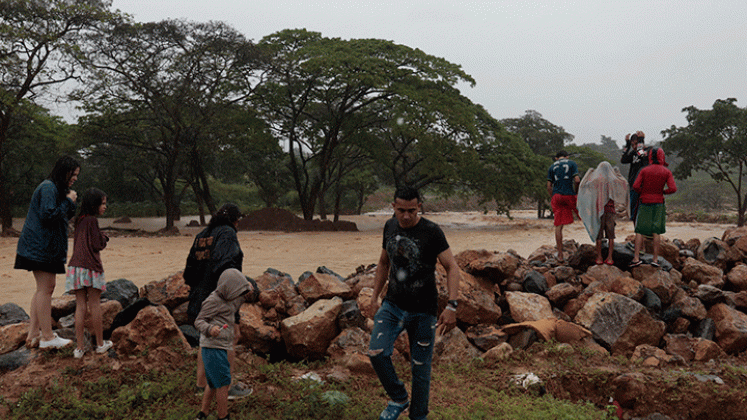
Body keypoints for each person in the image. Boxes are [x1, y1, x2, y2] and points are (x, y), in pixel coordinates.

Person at [365, 186, 460, 420]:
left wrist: (452, 305)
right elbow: (384, 263)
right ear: (393, 207)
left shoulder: (432, 231)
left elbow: (451, 267)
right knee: (376, 352)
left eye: (411, 210)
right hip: (393, 304)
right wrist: (374, 297)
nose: (406, 216)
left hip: (423, 310)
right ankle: (399, 397)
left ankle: (418, 416)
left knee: (420, 367)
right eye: (401, 210)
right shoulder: (389, 226)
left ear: (419, 207)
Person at [183, 203, 251, 399]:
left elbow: (189, 273)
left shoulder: (202, 235)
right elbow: (227, 270)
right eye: (238, 220)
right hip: (220, 297)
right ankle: (226, 389)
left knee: (206, 340)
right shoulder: (228, 233)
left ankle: (201, 385)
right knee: (229, 337)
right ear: (234, 220)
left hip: (199, 297)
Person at [15, 156, 80, 349]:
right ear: (64, 171)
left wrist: (70, 202)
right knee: (46, 288)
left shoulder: (54, 189)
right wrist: (68, 201)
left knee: (42, 289)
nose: (75, 178)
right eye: (73, 174)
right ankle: (48, 338)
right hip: (40, 247)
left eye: (77, 175)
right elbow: (48, 216)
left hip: (42, 247)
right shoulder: (48, 188)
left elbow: (63, 217)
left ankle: (33, 334)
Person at [194, 268, 257, 420]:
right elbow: (198, 321)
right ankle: (223, 416)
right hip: (214, 347)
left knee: (213, 384)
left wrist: (248, 288)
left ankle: (203, 413)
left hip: (220, 346)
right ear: (227, 288)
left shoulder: (230, 298)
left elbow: (241, 298)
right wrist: (209, 329)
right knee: (223, 385)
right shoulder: (213, 301)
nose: (239, 294)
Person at [66, 188, 112, 358]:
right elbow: (97, 244)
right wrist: (104, 237)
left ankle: (79, 348)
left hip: (75, 268)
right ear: (94, 204)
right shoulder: (92, 221)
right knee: (94, 304)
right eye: (103, 203)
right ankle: (100, 344)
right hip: (91, 267)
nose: (105, 207)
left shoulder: (80, 220)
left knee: (80, 306)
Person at [629, 147, 677, 268]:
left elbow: (635, 186)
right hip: (659, 203)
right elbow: (673, 189)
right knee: (656, 231)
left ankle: (636, 258)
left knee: (639, 230)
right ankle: (655, 260)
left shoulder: (644, 170)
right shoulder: (666, 172)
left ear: (650, 157)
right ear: (662, 156)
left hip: (644, 201)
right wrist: (663, 192)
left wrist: (643, 191)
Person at [576, 162, 629, 265]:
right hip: (610, 211)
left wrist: (589, 172)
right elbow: (624, 184)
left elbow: (583, 185)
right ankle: (609, 258)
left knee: (598, 235)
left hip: (598, 211)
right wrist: (617, 173)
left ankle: (599, 257)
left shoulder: (595, 180)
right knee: (611, 235)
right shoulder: (613, 180)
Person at [547, 150, 580, 263]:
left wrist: (553, 197)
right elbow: (577, 180)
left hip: (557, 196)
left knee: (558, 225)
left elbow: (548, 186)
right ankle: (599, 247)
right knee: (584, 215)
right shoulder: (571, 163)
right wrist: (577, 193)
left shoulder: (552, 167)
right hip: (569, 194)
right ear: (567, 156)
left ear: (557, 158)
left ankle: (560, 255)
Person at [621, 131, 651, 223]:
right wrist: (627, 144)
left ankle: (647, 234)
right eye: (632, 144)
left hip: (645, 185)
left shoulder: (648, 151)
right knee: (634, 211)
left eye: (636, 144)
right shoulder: (632, 154)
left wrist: (641, 140)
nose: (634, 146)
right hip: (633, 185)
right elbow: (623, 159)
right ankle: (637, 233)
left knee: (645, 209)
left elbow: (641, 155)